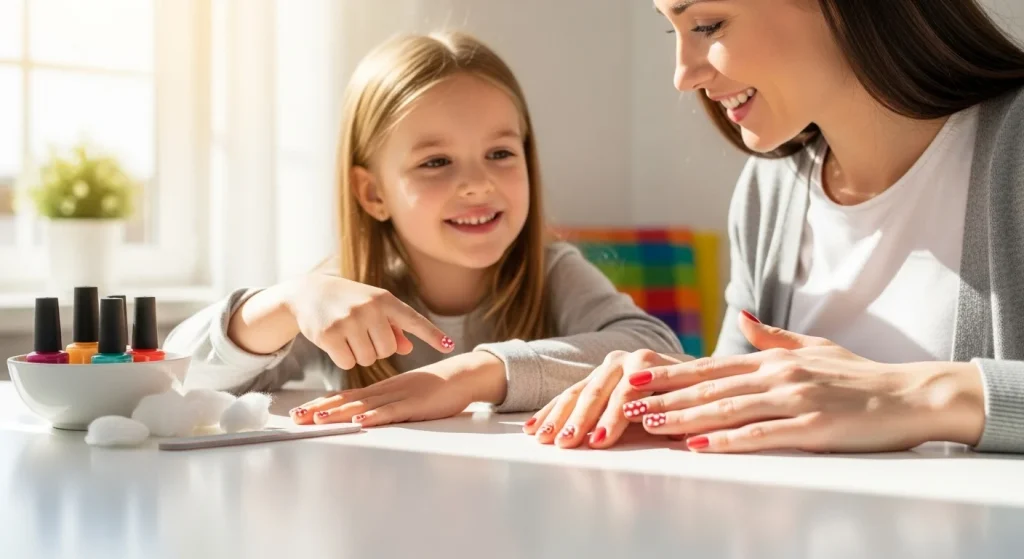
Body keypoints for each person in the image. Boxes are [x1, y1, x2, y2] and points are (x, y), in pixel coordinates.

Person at [530, 0, 1024, 454]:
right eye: (673, 31)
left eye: (706, 25)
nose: (683, 75)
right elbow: (737, 412)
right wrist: (679, 389)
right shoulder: (769, 190)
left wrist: (912, 395)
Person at [164, 31, 683, 428]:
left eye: (501, 153)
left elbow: (655, 349)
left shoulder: (553, 273)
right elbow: (179, 376)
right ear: (373, 193)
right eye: (436, 162)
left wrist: (472, 375)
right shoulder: (345, 294)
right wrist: (286, 302)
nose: (478, 184)